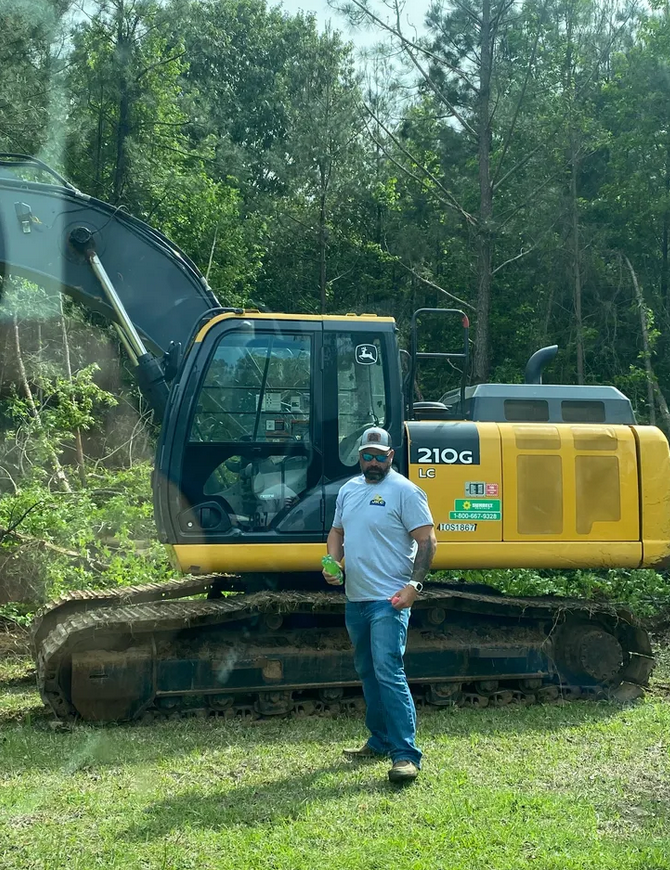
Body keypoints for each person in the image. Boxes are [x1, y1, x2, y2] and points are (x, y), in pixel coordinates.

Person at [322, 426, 436, 784]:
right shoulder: (349, 490)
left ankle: (405, 755)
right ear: (360, 457)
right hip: (355, 599)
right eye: (366, 456)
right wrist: (333, 561)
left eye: (379, 456)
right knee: (367, 671)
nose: (372, 462)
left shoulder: (405, 491)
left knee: (388, 672)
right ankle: (379, 739)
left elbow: (427, 540)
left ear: (390, 457)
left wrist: (414, 586)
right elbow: (337, 531)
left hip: (390, 600)